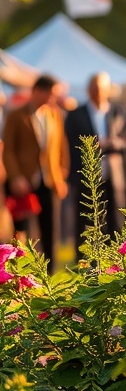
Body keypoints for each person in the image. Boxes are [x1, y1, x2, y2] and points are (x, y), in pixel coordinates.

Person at [1, 75, 70, 272]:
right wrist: (16, 177)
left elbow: (61, 148)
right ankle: (17, 272)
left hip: (48, 181)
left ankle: (50, 273)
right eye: (52, 94)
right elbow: (9, 150)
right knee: (20, 232)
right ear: (39, 91)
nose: (54, 98)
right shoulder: (16, 116)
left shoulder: (54, 115)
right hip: (23, 183)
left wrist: (61, 175)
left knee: (50, 229)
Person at [64, 71, 126, 250]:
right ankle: (82, 265)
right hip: (85, 177)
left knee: (114, 221)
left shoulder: (118, 111)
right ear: (88, 90)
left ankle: (115, 265)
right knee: (84, 223)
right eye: (94, 88)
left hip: (112, 175)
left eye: (101, 88)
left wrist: (109, 143)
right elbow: (69, 146)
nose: (98, 92)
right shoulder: (75, 115)